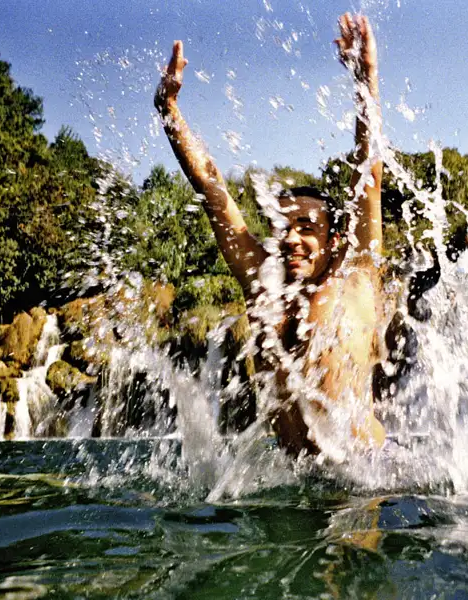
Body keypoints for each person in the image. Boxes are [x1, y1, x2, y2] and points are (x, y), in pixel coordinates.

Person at [155, 13, 386, 457]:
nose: (292, 238)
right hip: (296, 479)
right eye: (284, 227)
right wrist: (169, 114)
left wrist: (366, 79)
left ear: (335, 239)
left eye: (307, 227)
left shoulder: (355, 276)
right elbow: (212, 187)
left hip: (367, 474)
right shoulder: (265, 283)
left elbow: (368, 173)